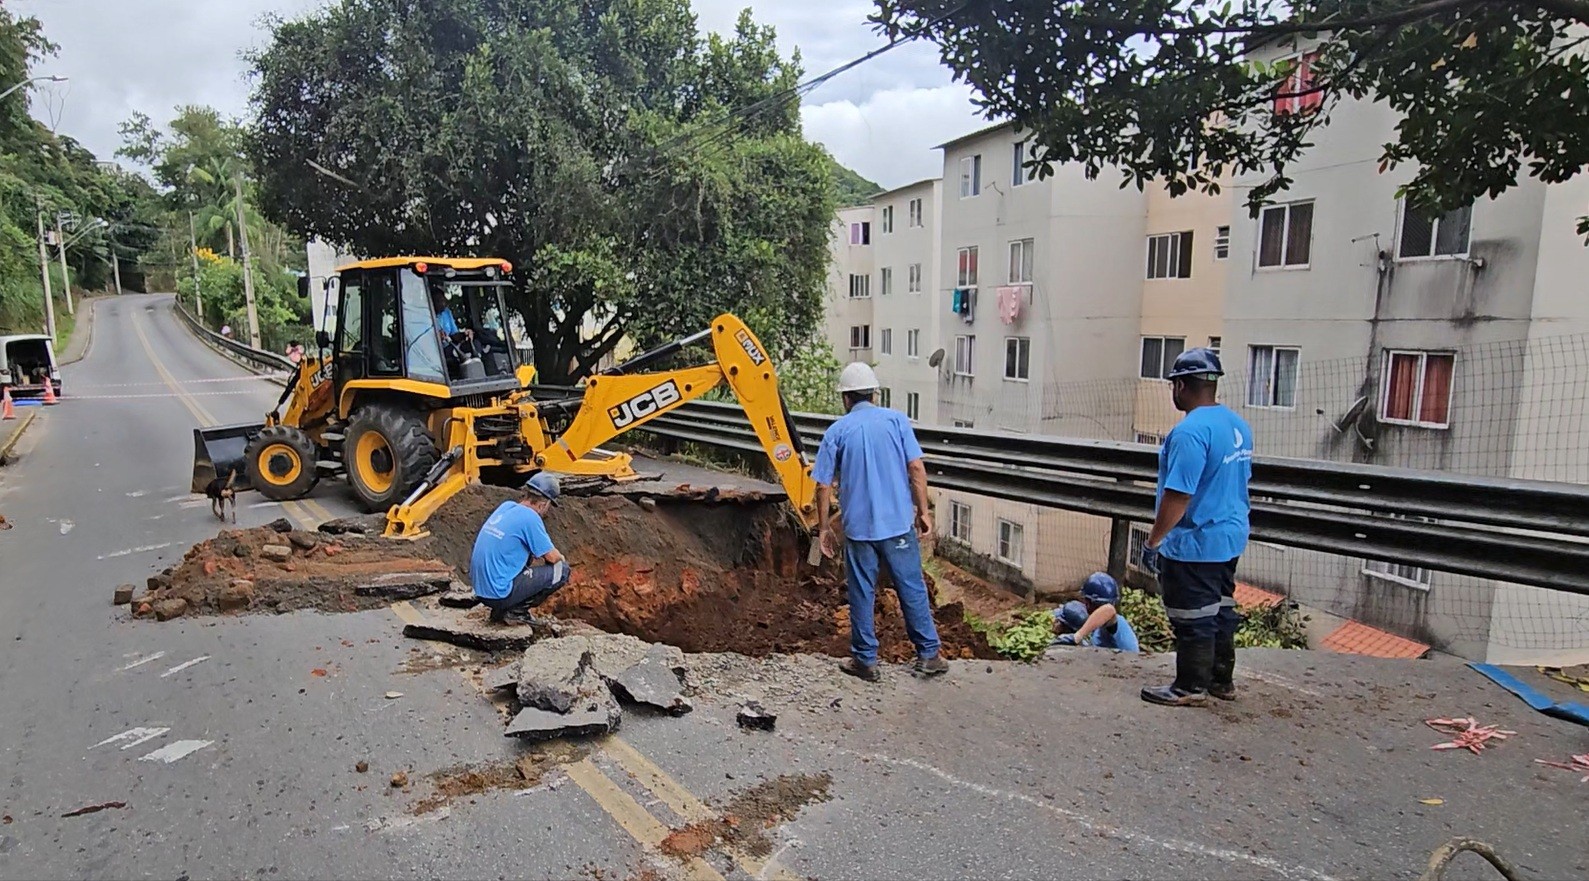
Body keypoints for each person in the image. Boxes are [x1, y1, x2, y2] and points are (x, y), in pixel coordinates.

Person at [814, 362, 948, 681]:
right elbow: (916, 469)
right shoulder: (897, 421)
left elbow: (822, 485)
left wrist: (822, 530)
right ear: (875, 393)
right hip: (898, 525)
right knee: (911, 586)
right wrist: (924, 511)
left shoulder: (837, 432)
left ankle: (866, 661)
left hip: (859, 529)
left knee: (862, 591)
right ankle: (928, 655)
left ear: (845, 399)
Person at [1138, 348, 1253, 706]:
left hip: (1196, 541)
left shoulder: (1189, 432)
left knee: (1191, 614)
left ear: (1182, 386)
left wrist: (1154, 541)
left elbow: (1178, 496)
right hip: (1230, 536)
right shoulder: (1237, 425)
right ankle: (1221, 680)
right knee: (1219, 606)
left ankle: (1190, 686)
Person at [469, 473, 572, 625]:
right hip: (498, 593)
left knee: (526, 558)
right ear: (543, 504)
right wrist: (561, 558)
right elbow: (552, 557)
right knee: (561, 570)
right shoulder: (530, 517)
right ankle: (516, 612)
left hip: (482, 591)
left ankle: (501, 611)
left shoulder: (506, 507)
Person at [1052, 572, 1140, 653]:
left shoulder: (1115, 623)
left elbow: (1109, 610)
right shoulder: (1098, 625)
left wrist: (1077, 637)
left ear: (1089, 603)